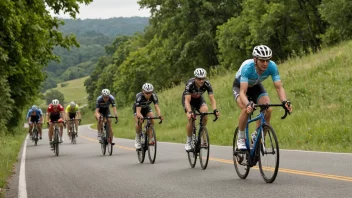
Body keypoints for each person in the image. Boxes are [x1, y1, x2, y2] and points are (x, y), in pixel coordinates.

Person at [232, 45, 292, 150]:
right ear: (255, 59)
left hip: (256, 86)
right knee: (246, 109)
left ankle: (258, 137)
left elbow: (279, 87)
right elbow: (243, 92)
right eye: (262, 61)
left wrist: (284, 101)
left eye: (267, 60)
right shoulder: (247, 67)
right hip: (240, 87)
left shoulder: (272, 66)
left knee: (268, 108)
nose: (265, 64)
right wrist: (248, 104)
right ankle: (241, 138)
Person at [182, 68, 220, 151]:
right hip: (189, 101)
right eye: (199, 79)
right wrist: (189, 112)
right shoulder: (190, 84)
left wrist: (215, 110)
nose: (201, 81)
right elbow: (187, 101)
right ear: (195, 78)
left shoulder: (207, 84)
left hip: (198, 99)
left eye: (203, 78)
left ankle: (202, 132)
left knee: (205, 111)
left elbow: (212, 99)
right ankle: (188, 141)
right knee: (191, 119)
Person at [133, 83, 163, 149]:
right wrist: (140, 116)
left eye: (150, 93)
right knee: (139, 122)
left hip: (146, 108)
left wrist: (159, 115)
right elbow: (138, 112)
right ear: (143, 91)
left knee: (152, 118)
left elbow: (156, 107)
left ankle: (150, 139)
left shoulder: (154, 96)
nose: (148, 94)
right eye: (146, 93)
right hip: (138, 109)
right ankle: (137, 138)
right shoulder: (139, 97)